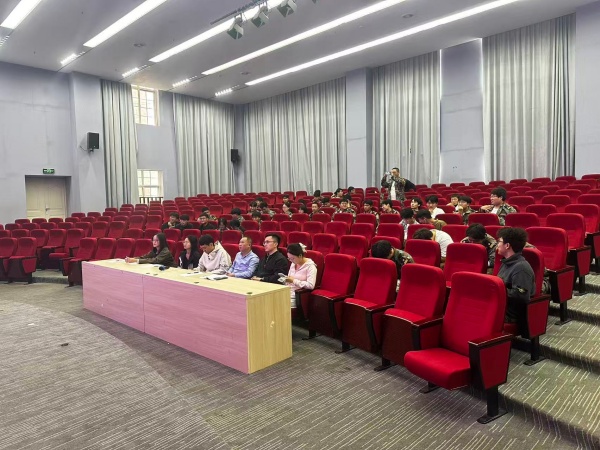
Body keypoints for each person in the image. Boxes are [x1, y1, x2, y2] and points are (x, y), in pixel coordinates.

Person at [496, 227, 535, 324]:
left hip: (510, 314)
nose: (497, 244)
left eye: (499, 241)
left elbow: (521, 296)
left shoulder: (521, 268)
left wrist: (497, 291)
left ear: (507, 245)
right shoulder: (506, 262)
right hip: (501, 306)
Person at [284, 243, 318, 308]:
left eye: (292, 258)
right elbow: (290, 278)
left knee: (279, 305)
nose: (291, 261)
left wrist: (294, 281)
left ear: (300, 255)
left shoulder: (310, 266)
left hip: (297, 296)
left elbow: (311, 285)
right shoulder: (293, 264)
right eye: (289, 259)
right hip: (288, 292)